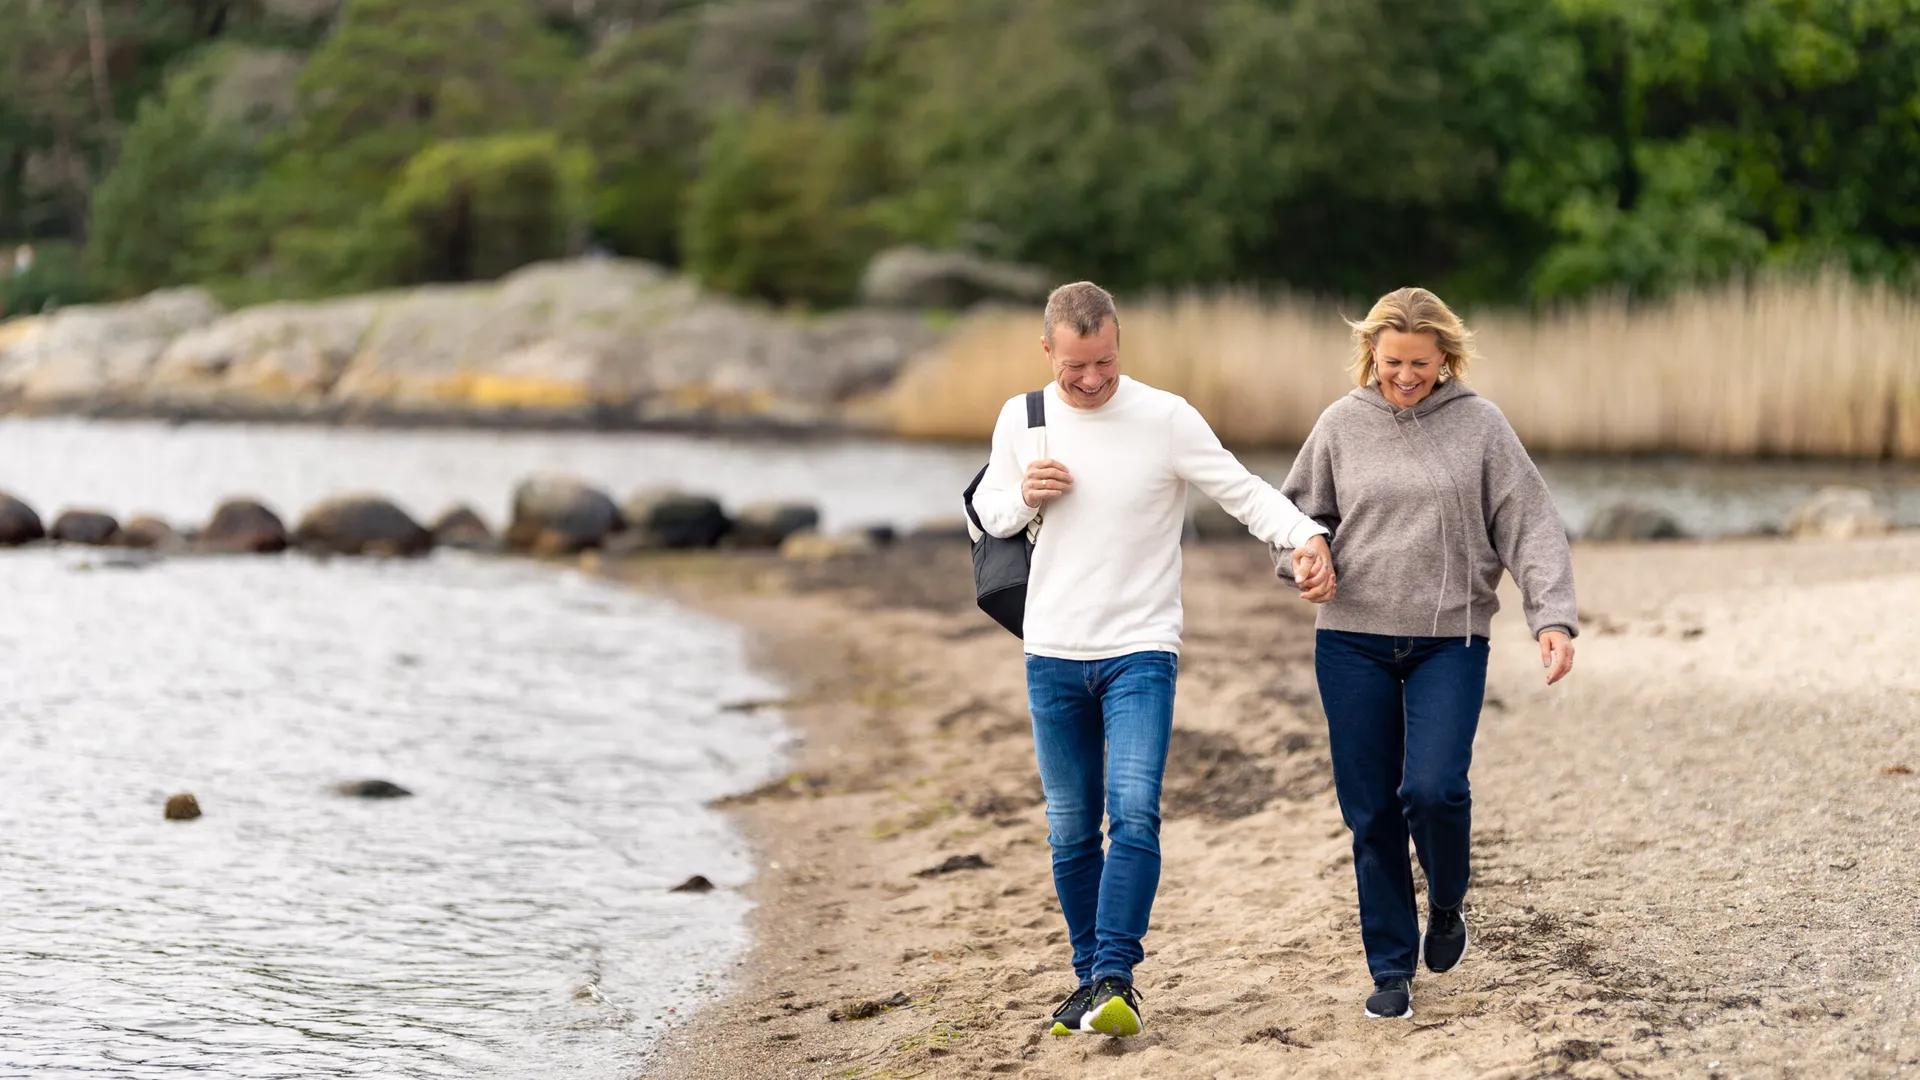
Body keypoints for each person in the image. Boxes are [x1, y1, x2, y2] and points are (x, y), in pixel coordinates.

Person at [969, 281, 1336, 1037]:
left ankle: (1115, 977)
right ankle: (1088, 982)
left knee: (1133, 813)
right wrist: (1024, 498)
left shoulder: (1164, 417)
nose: (1093, 379)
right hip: (1052, 651)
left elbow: (1243, 492)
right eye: (1076, 367)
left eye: (1104, 361)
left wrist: (1306, 537)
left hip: (1141, 649)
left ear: (1117, 340)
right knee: (1070, 828)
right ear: (1048, 352)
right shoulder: (1022, 417)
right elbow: (987, 514)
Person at [1277, 286, 1578, 1020]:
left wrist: (1553, 618)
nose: (1403, 377)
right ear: (1370, 356)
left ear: (1444, 357)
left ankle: (1446, 902)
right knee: (1372, 810)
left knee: (1435, 789)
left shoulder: (1480, 426)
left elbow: (1529, 522)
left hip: (1452, 638)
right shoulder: (1341, 424)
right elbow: (1296, 514)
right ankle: (1390, 969)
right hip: (1351, 640)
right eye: (1390, 363)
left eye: (1417, 362)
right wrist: (1304, 557)